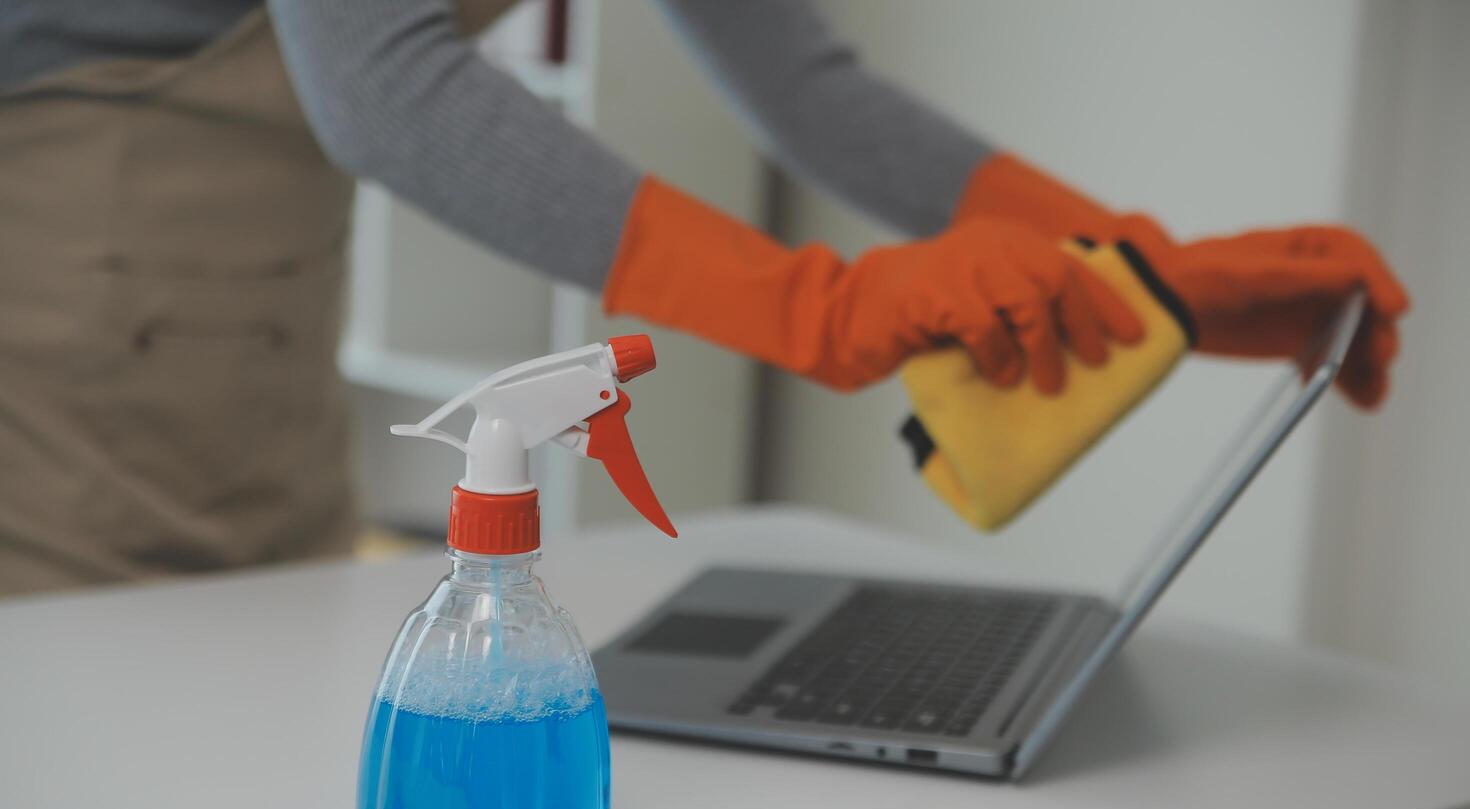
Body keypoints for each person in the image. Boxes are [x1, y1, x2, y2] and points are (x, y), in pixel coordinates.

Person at [0, 0, 1407, 597]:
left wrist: (1134, 274)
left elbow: (802, 84)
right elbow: (382, 81)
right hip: (78, 209)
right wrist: (817, 309)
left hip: (250, 268)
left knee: (271, 657)